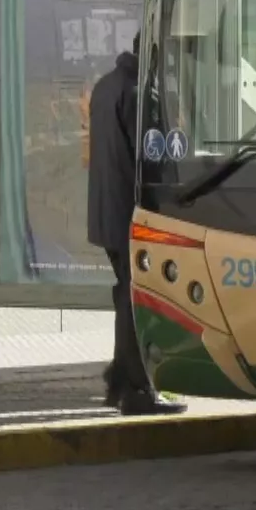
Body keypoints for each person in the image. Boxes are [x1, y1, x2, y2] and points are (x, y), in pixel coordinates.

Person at [88, 34, 184, 417]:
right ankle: (136, 389)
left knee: (124, 294)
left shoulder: (107, 84)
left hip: (106, 212)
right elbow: (155, 159)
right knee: (135, 301)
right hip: (132, 212)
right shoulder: (144, 94)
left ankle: (118, 379)